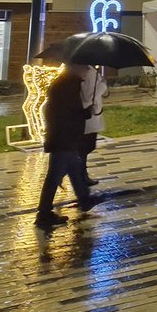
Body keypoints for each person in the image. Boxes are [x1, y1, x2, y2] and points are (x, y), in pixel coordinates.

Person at [36, 64, 105, 229]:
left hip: (65, 136)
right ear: (74, 68)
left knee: (74, 169)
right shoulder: (68, 85)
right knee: (54, 176)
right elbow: (69, 112)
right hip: (64, 137)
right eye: (84, 68)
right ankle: (43, 214)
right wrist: (87, 111)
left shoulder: (65, 83)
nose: (87, 71)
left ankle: (84, 200)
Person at [78, 64, 107, 187]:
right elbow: (89, 97)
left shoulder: (90, 71)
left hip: (91, 117)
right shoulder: (89, 72)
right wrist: (103, 84)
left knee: (85, 148)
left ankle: (80, 174)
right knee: (85, 148)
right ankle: (78, 175)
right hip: (89, 118)